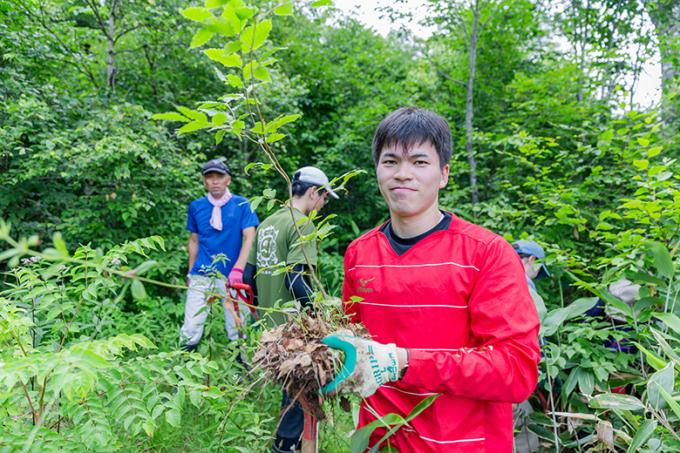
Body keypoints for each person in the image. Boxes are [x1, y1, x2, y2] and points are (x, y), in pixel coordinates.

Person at [321, 107, 540, 452]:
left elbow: (516, 371)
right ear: (377, 170)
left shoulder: (486, 254)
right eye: (391, 161)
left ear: (443, 174)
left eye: (419, 162)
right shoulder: (360, 254)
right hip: (381, 442)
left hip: (464, 444)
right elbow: (354, 344)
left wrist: (404, 362)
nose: (403, 174)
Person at [243, 166, 338, 453]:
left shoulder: (268, 222)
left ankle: (287, 445)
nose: (322, 205)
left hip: (270, 327)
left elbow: (248, 276)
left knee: (291, 394)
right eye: (324, 198)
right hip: (294, 327)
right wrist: (320, 316)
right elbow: (295, 280)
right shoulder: (302, 224)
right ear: (312, 192)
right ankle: (285, 447)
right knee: (301, 396)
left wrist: (263, 312)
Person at [179, 158, 259, 352]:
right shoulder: (196, 206)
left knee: (238, 326)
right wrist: (190, 271)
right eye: (210, 177)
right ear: (204, 181)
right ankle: (185, 364)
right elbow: (194, 240)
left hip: (232, 275)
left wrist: (239, 269)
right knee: (191, 325)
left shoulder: (242, 204)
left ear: (228, 179)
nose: (215, 181)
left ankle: (242, 365)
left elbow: (250, 237)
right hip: (202, 273)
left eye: (219, 176)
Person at [511, 240, 550, 452]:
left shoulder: (494, 277)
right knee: (524, 422)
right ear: (532, 260)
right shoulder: (524, 283)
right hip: (514, 369)